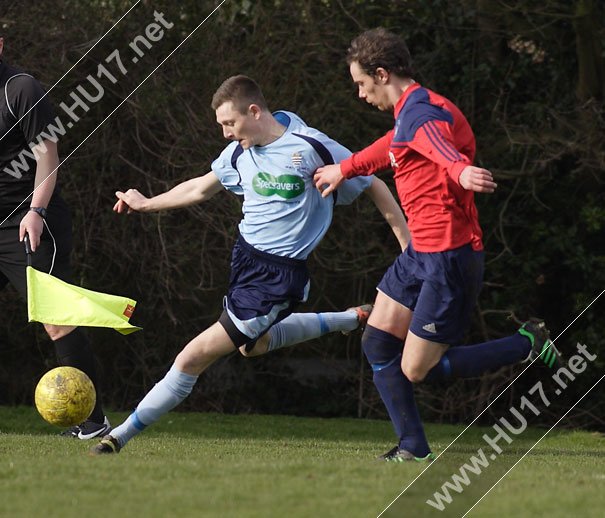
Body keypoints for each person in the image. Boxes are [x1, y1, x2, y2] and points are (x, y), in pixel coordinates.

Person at [90, 74, 409, 454]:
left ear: (254, 111)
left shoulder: (312, 147)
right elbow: (199, 187)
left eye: (230, 123)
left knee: (191, 357)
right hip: (244, 262)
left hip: (277, 279)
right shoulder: (241, 151)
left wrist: (410, 249)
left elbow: (373, 184)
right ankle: (350, 318)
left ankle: (118, 436)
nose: (226, 133)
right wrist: (146, 203)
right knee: (251, 347)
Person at [313, 28, 563, 462]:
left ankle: (527, 343)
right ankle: (412, 446)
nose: (359, 93)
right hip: (419, 254)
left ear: (382, 73)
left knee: (415, 369)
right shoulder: (411, 111)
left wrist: (459, 170)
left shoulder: (421, 113)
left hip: (450, 256)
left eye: (361, 83)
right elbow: (393, 146)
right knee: (376, 344)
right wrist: (345, 169)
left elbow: (433, 142)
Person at [0, 35, 110, 438]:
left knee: (56, 320)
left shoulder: (20, 89)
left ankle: (93, 420)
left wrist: (36, 211)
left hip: (29, 223)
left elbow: (48, 156)